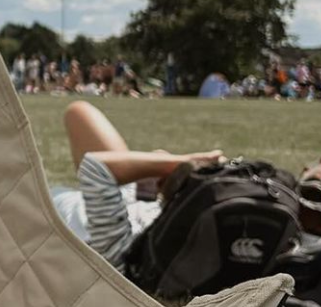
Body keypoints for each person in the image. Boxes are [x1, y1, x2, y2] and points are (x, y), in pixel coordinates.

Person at [50, 101, 223, 272]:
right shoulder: (173, 234)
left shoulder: (125, 255)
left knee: (79, 114)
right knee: (79, 112)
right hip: (133, 199)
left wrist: (182, 162)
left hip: (99, 206)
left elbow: (94, 167)